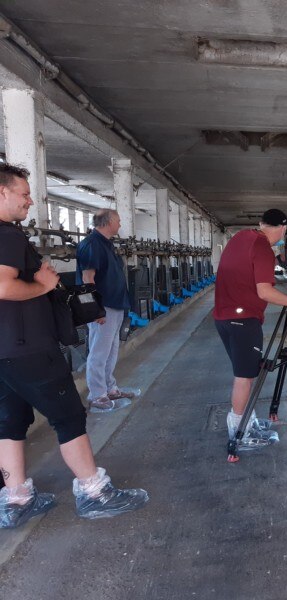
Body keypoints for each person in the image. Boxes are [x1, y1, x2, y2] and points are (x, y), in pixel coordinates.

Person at [0, 164, 148, 528]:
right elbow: (3, 287)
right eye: (23, 193)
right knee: (68, 416)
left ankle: (17, 498)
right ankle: (95, 492)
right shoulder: (8, 236)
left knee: (10, 421)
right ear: (2, 193)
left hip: (5, 350)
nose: (30, 200)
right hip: (28, 346)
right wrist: (45, 287)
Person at [214, 209, 287, 446]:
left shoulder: (241, 237)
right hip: (243, 320)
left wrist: (277, 260)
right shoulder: (262, 248)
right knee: (244, 377)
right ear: (283, 228)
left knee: (245, 373)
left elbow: (246, 270)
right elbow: (264, 291)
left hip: (224, 317)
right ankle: (239, 432)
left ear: (261, 224)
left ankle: (247, 421)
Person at [76, 209, 134, 413]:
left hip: (115, 304)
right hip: (103, 308)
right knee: (99, 351)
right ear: (108, 222)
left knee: (111, 350)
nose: (119, 224)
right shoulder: (92, 245)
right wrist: (95, 310)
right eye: (118, 221)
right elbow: (87, 279)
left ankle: (110, 388)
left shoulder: (106, 244)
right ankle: (97, 395)